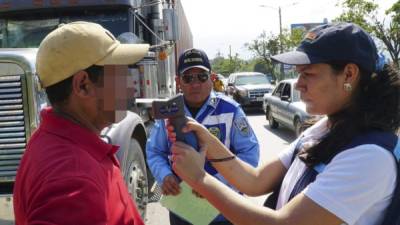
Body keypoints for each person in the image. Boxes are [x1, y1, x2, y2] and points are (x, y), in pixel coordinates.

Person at [168, 23, 400, 225]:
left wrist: (199, 179)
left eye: (308, 74)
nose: (298, 84)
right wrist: (206, 140)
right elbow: (255, 181)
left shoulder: (369, 157)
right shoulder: (324, 128)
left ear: (348, 74)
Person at [13, 21, 149, 225]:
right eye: (120, 75)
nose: (131, 89)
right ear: (83, 85)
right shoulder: (73, 180)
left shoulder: (55, 143)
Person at [146, 48, 260, 225]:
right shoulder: (169, 110)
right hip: (183, 208)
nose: (195, 83)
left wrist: (214, 185)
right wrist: (165, 175)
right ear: (178, 82)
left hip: (223, 209)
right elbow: (155, 151)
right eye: (188, 78)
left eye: (202, 76)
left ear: (212, 78)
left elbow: (249, 155)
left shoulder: (231, 110)